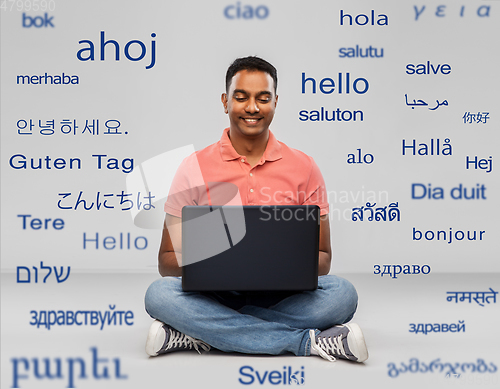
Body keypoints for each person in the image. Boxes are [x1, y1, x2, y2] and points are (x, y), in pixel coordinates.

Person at [144, 56, 368, 363]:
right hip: (212, 295)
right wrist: (214, 266)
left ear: (276, 103)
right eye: (241, 97)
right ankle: (305, 342)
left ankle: (204, 332)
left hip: (284, 296)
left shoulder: (305, 167)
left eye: (263, 99)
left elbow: (324, 258)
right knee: (159, 295)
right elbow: (166, 260)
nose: (252, 108)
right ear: (225, 102)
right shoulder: (192, 167)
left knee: (342, 294)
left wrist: (277, 268)